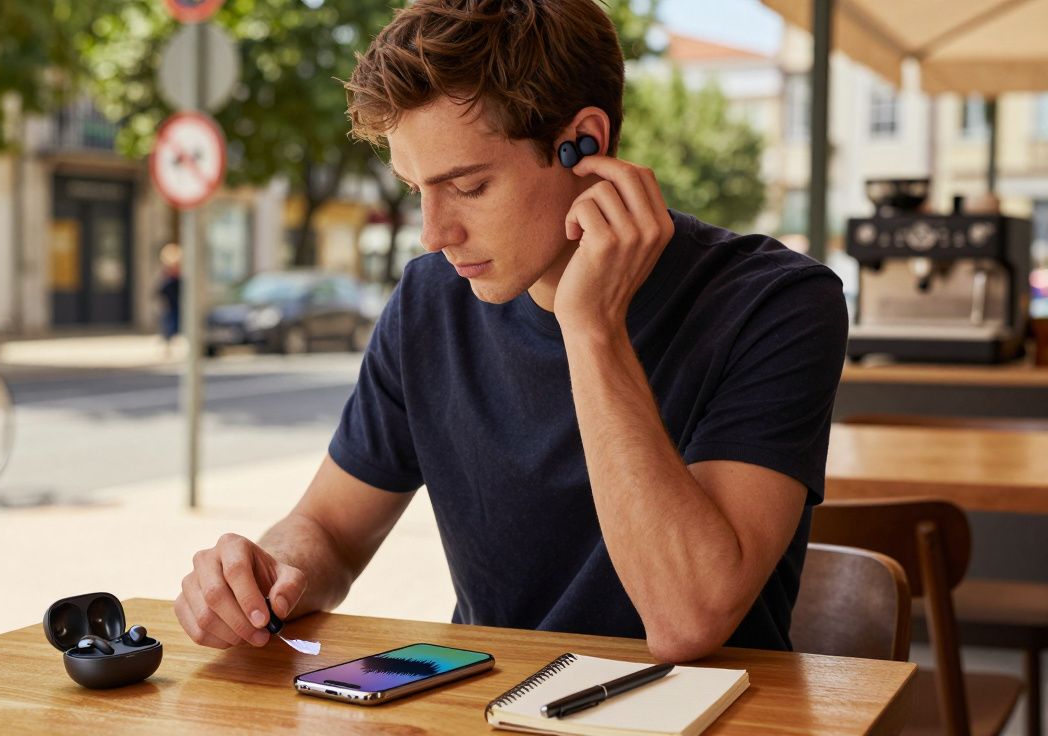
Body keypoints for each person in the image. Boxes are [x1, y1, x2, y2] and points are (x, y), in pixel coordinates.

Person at [174, 0, 848, 662]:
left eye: (468, 187)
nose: (434, 234)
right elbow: (329, 530)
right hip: (489, 703)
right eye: (415, 189)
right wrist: (268, 573)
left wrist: (592, 329)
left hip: (711, 711)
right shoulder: (430, 301)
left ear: (584, 142)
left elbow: (686, 620)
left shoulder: (776, 304)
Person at [156, 243, 183, 357]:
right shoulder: (168, 277)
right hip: (171, 304)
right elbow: (161, 290)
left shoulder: (177, 276)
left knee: (175, 324)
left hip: (176, 304)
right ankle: (168, 345)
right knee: (169, 324)